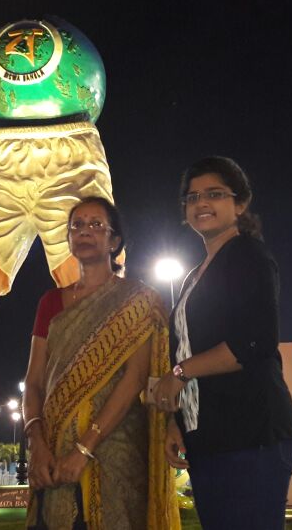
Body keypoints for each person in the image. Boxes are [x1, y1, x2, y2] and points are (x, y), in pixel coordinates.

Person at [152, 157, 292, 530]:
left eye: (214, 194)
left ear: (240, 203)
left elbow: (253, 342)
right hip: (209, 440)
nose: (201, 203)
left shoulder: (248, 256)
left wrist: (180, 375)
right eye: (193, 197)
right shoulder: (191, 277)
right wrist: (178, 424)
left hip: (251, 436)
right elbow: (184, 347)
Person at [22, 197, 180, 530]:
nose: (84, 231)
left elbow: (135, 379)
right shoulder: (50, 302)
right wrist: (36, 444)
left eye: (96, 225)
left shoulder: (137, 300)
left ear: (114, 241)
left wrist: (85, 447)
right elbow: (34, 381)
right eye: (76, 225)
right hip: (52, 450)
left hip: (115, 448)